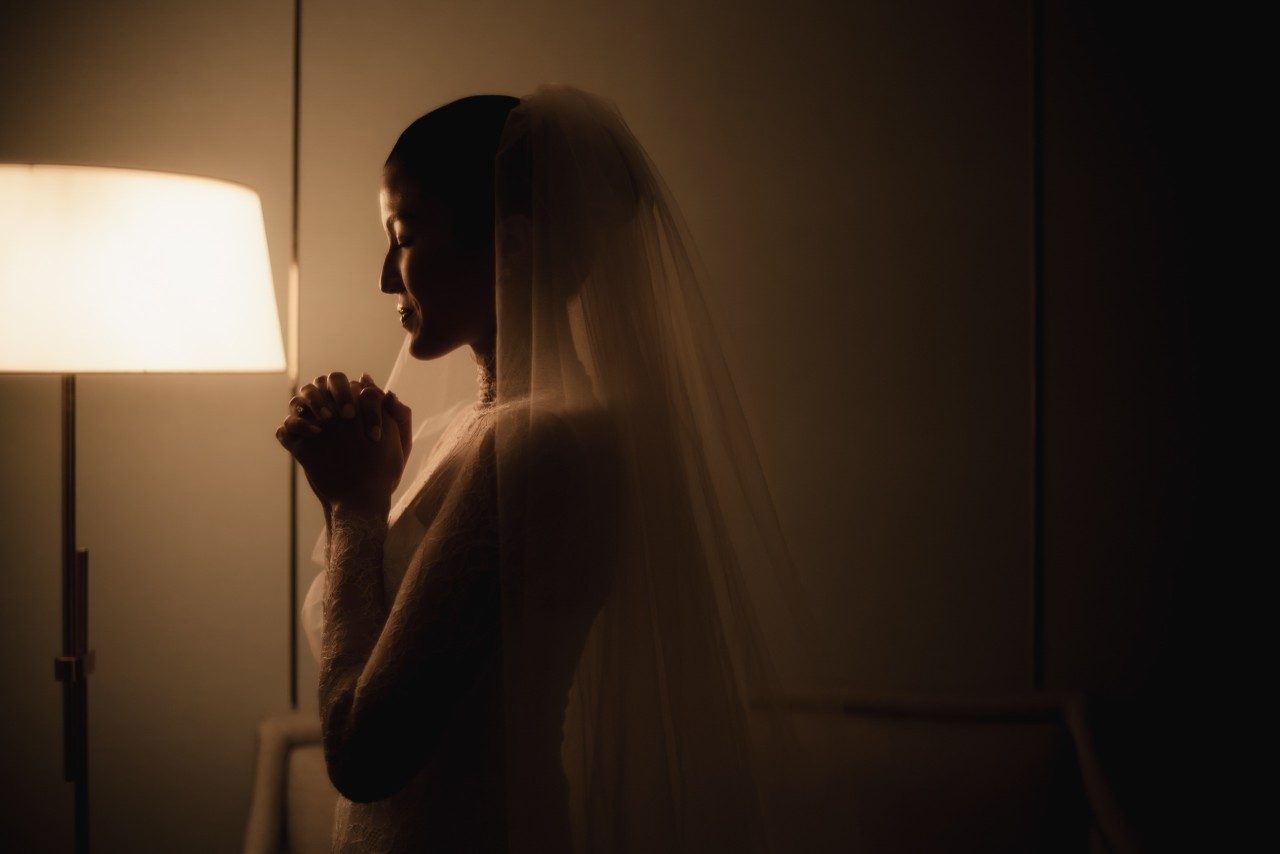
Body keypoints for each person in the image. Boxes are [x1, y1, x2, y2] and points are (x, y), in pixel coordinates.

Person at [277, 85, 807, 853]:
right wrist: (363, 486)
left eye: (404, 235)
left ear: (515, 244)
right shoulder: (478, 431)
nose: (387, 278)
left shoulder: (540, 445)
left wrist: (354, 507)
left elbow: (366, 752)